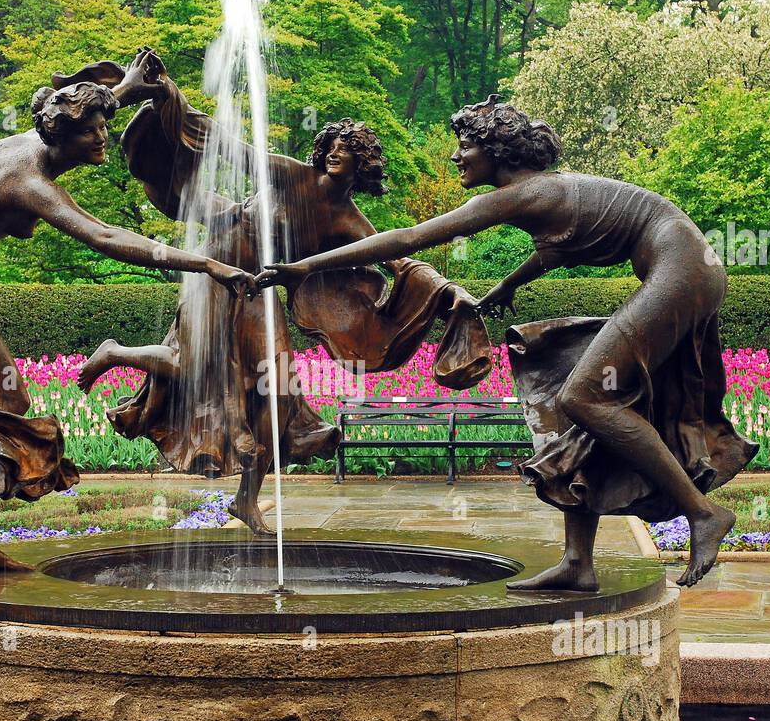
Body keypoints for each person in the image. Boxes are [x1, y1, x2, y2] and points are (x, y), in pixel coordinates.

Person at [258, 94, 757, 588]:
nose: (456, 156)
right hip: (685, 267)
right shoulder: (546, 194)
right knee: (571, 404)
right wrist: (507, 287)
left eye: (466, 145)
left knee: (584, 395)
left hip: (681, 269)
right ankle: (579, 563)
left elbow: (409, 238)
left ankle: (702, 512)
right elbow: (555, 250)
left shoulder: (522, 194)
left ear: (497, 150)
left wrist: (306, 266)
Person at [0, 51, 255, 582]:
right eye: (93, 131)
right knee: (5, 399)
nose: (102, 138)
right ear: (64, 138)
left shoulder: (46, 135)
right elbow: (107, 237)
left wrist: (131, 89)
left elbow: (80, 113)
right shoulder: (27, 179)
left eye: (103, 126)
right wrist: (207, 263)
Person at [77, 56, 490, 533]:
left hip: (259, 290)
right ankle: (114, 354)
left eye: (348, 148)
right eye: (333, 145)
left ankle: (247, 498)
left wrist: (450, 292)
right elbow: (233, 148)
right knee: (191, 366)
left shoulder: (348, 220)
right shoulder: (293, 175)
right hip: (218, 270)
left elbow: (399, 259)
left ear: (364, 161)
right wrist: (171, 100)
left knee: (280, 391)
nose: (336, 152)